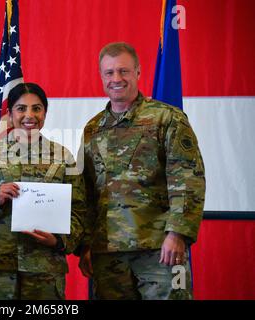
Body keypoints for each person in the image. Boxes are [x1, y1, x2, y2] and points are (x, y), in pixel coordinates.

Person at [78, 42, 205, 299]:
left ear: (138, 72)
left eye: (123, 71)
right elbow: (87, 192)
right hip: (108, 253)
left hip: (159, 249)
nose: (116, 79)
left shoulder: (167, 118)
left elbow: (188, 178)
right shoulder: (92, 129)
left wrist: (177, 233)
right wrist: (85, 245)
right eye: (109, 72)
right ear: (101, 76)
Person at [0, 82, 85, 300]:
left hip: (44, 273)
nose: (29, 115)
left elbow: (80, 212)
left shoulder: (64, 158)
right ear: (10, 113)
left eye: (37, 108)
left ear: (45, 112)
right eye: (21, 108)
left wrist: (59, 241)